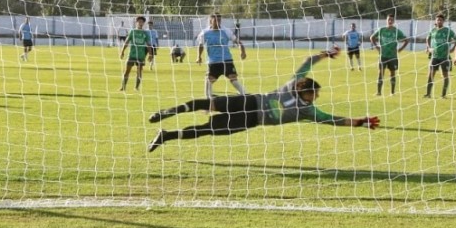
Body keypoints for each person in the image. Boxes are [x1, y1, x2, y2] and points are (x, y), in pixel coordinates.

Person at [146, 47, 380, 152]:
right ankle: (167, 112)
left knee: (205, 130)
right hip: (250, 102)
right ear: (303, 89)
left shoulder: (309, 111)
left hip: (251, 121)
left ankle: (165, 136)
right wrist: (325, 54)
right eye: (313, 93)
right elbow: (307, 62)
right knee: (205, 102)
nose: (315, 97)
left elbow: (334, 120)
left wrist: (361, 121)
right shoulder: (292, 85)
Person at [196, 13, 247, 98]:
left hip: (226, 60)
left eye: (219, 20)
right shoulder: (205, 33)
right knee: (209, 79)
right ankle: (208, 98)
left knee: (233, 78)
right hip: (213, 61)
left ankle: (244, 94)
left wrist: (242, 51)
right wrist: (199, 56)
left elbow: (238, 42)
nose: (218, 22)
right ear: (210, 21)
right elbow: (201, 45)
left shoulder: (226, 31)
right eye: (216, 20)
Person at [369, 15, 409, 95]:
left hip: (393, 56)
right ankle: (379, 92)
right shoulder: (381, 30)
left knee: (392, 73)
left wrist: (400, 49)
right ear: (386, 20)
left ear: (393, 21)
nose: (390, 21)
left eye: (391, 20)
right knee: (380, 73)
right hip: (383, 55)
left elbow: (406, 40)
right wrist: (376, 47)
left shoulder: (396, 31)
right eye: (389, 20)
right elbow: (372, 37)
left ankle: (392, 92)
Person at [424, 14, 456, 99]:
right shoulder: (433, 30)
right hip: (434, 57)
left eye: (441, 20)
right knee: (430, 75)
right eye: (437, 20)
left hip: (444, 57)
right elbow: (428, 38)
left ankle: (443, 95)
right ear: (435, 21)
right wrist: (429, 47)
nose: (439, 21)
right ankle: (428, 94)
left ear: (443, 21)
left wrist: (453, 49)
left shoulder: (448, 31)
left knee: (445, 75)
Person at [119, 15, 152, 92]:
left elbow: (148, 44)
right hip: (131, 54)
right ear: (136, 22)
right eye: (139, 21)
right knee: (127, 71)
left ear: (144, 23)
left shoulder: (145, 33)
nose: (140, 23)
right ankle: (123, 87)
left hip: (141, 55)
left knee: (139, 71)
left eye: (142, 22)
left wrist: (150, 55)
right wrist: (122, 51)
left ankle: (136, 87)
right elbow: (127, 42)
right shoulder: (132, 31)